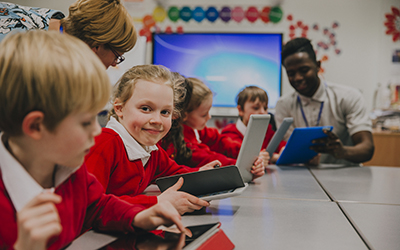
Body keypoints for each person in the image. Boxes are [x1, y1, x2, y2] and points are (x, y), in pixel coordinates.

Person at [0, 30, 189, 250]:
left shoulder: (70, 170)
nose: (96, 131)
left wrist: (139, 216)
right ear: (36, 126)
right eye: (85, 122)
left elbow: (98, 206)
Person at [85, 65, 219, 215]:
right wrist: (157, 203)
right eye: (145, 109)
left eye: (165, 112)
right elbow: (89, 205)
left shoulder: (150, 149)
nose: (157, 120)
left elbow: (175, 174)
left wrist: (201, 175)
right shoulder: (104, 144)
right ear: (119, 108)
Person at [275, 37, 374, 165]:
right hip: (302, 178)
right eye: (291, 73)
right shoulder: (283, 105)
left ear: (318, 66)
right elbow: (289, 152)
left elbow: (367, 148)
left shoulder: (349, 97)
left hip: (346, 177)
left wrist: (342, 152)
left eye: (304, 70)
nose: (298, 78)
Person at [173, 77, 267, 179]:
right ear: (185, 115)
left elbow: (222, 143)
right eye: (204, 114)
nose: (209, 117)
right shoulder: (184, 139)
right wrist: (244, 166)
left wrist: (251, 155)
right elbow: (208, 158)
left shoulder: (199, 130)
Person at [0, 0, 136, 69]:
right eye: (117, 56)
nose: (114, 64)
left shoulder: (47, 19)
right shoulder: (21, 54)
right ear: (96, 46)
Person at [221, 86, 286, 163]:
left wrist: (284, 149)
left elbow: (279, 144)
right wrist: (271, 157)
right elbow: (243, 154)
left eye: (265, 108)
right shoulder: (229, 133)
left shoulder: (267, 130)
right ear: (240, 110)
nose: (263, 112)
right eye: (256, 108)